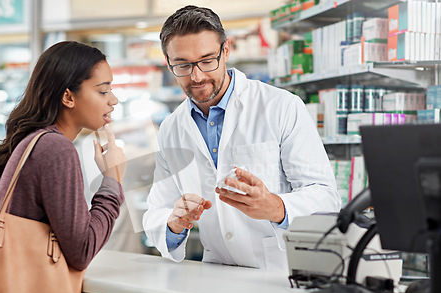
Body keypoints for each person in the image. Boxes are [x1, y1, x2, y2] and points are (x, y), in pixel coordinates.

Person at [142, 5, 341, 271]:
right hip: (217, 275)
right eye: (183, 65)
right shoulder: (170, 129)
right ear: (168, 62)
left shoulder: (281, 107)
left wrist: (277, 207)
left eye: (207, 60)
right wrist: (173, 223)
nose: (197, 75)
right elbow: (157, 211)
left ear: (226, 51)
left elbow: (326, 197)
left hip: (281, 274)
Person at [0, 41, 126, 271]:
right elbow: (82, 251)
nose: (113, 100)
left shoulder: (37, 139)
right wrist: (112, 180)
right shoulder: (56, 148)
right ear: (68, 97)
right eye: (103, 91)